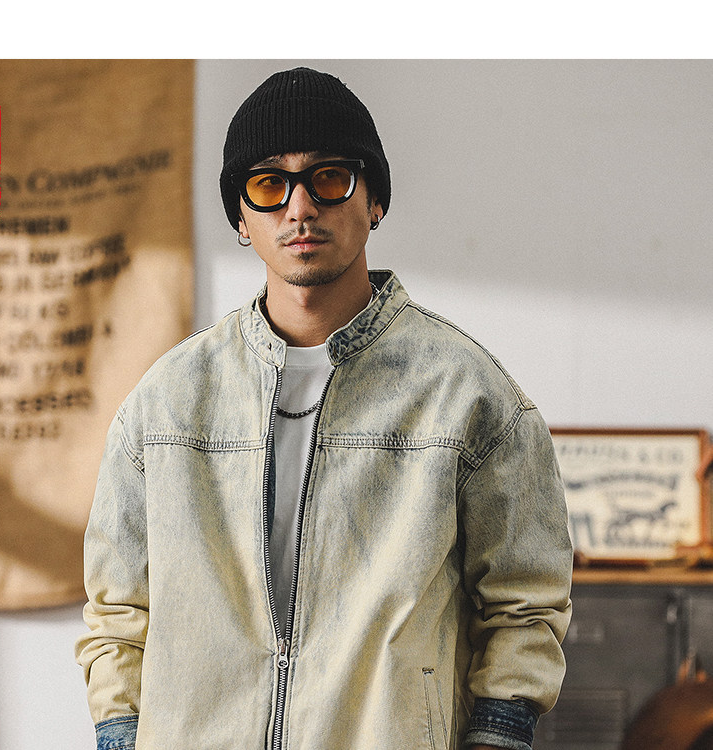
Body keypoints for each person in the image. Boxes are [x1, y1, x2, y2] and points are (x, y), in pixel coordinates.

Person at [75, 66, 573, 750]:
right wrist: (119, 735)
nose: (300, 208)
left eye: (329, 178)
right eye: (268, 185)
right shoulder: (165, 403)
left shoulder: (469, 395)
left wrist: (497, 738)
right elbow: (117, 613)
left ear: (375, 202)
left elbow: (525, 605)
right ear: (241, 217)